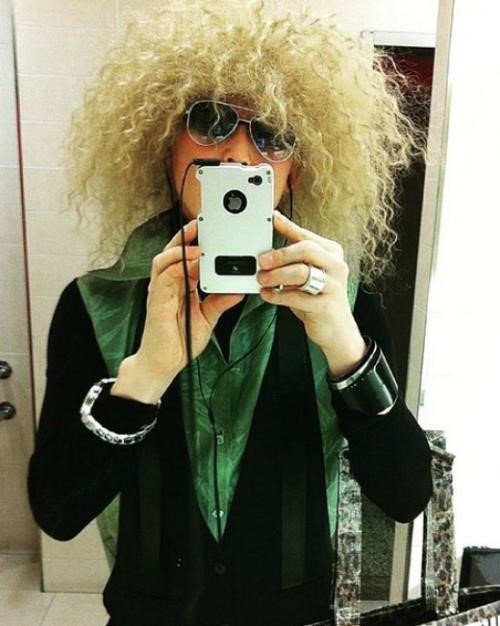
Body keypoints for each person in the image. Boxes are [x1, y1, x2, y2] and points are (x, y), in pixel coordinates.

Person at [28, 1, 433, 624]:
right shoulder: (97, 305)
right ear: (163, 144)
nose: (240, 157)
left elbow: (406, 496)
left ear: (296, 169)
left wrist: (347, 352)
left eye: (273, 135)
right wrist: (145, 376)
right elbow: (57, 513)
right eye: (211, 120)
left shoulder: (342, 305)